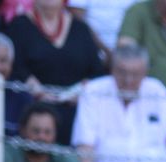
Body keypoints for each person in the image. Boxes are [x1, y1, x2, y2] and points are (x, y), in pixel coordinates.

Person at [73, 44, 166, 162]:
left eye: (135, 74)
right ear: (112, 70)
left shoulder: (157, 91)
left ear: (145, 73)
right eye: (122, 73)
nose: (128, 80)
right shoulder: (93, 91)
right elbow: (85, 146)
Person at [6, 0, 108, 144]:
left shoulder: (81, 28)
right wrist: (36, 89)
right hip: (33, 107)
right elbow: (14, 66)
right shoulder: (19, 26)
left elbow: (97, 72)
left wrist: (80, 90)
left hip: (76, 108)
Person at [5, 102, 93, 162]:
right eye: (36, 131)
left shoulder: (62, 154)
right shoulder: (9, 150)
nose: (41, 137)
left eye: (47, 132)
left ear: (55, 134)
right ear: (23, 130)